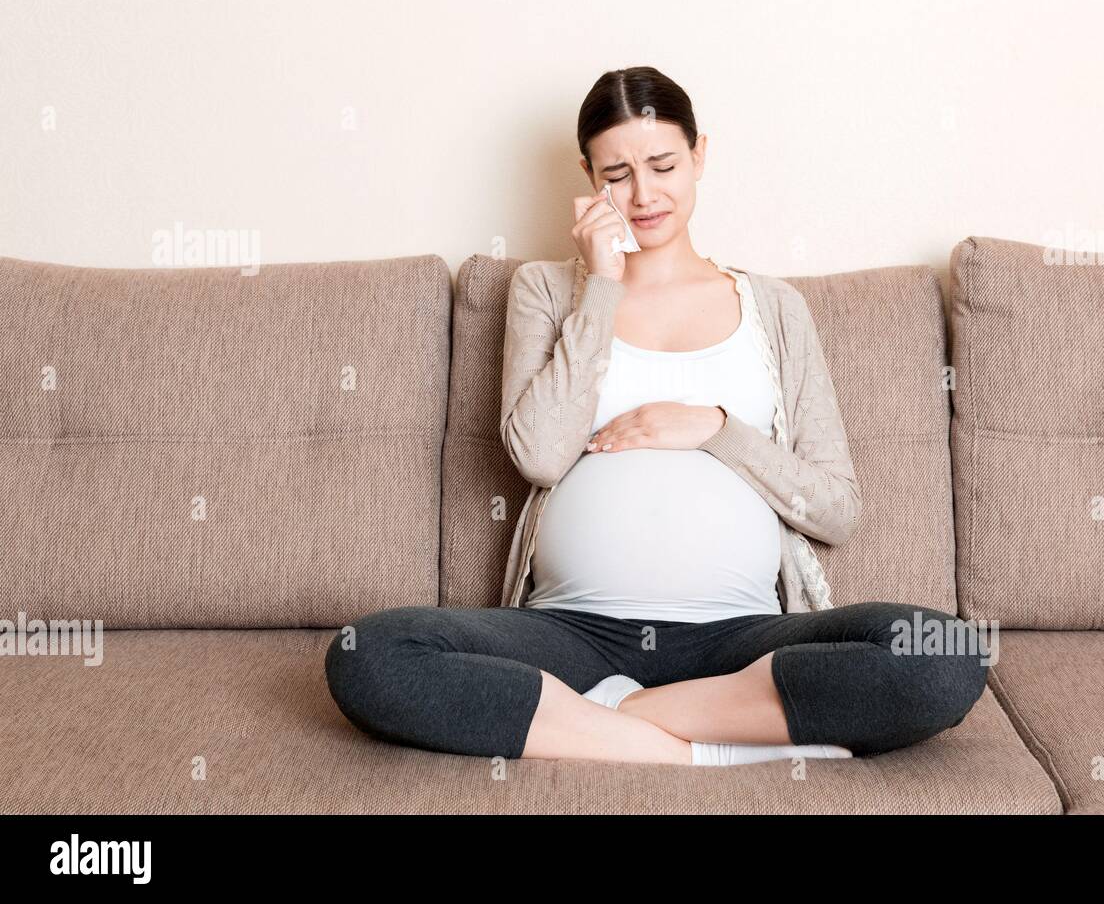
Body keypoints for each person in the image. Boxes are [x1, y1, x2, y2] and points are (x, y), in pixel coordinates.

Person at [325, 66, 987, 766]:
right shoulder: (547, 291)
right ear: (588, 177)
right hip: (572, 632)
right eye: (617, 174)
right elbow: (541, 455)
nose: (643, 195)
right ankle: (702, 750)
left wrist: (714, 429)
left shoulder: (776, 308)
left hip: (737, 640)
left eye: (664, 165)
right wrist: (602, 286)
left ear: (700, 154)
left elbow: (837, 509)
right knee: (369, 655)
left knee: (944, 656)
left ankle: (611, 720)